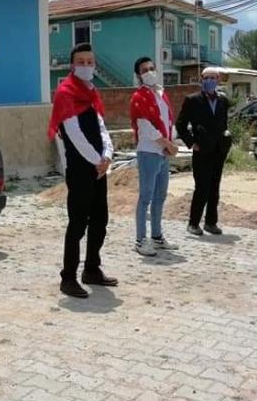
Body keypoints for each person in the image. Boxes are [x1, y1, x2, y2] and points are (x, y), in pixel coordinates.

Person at [48, 42, 118, 298]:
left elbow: (101, 127)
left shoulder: (91, 92)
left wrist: (108, 154)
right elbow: (74, 135)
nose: (86, 66)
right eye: (81, 62)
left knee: (100, 220)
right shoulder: (66, 93)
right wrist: (96, 160)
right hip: (80, 169)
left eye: (90, 62)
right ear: (72, 65)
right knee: (77, 224)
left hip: (99, 169)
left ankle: (92, 269)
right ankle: (68, 278)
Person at [130, 57, 180, 256]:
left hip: (163, 152)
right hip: (149, 151)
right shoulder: (138, 97)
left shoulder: (161, 94)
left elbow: (168, 121)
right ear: (138, 75)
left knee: (160, 196)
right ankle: (141, 240)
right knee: (145, 198)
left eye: (152, 68)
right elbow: (145, 126)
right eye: (144, 70)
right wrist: (166, 143)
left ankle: (157, 236)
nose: (149, 72)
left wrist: (172, 141)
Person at [175, 67, 232, 236]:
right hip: (201, 151)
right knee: (202, 187)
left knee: (215, 187)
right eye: (206, 78)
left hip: (218, 150)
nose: (209, 81)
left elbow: (224, 124)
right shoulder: (192, 100)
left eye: (213, 78)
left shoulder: (223, 101)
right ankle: (193, 223)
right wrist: (192, 143)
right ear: (201, 80)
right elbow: (180, 125)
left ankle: (211, 222)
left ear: (218, 79)